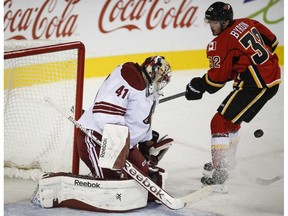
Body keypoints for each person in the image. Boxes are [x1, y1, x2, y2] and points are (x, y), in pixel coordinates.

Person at [185, 2, 281, 189]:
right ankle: (227, 162)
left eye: (213, 22)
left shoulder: (220, 42)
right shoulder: (248, 23)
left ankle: (221, 171)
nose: (210, 26)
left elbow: (216, 81)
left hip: (255, 84)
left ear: (224, 21)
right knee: (232, 121)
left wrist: (198, 86)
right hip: (270, 77)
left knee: (219, 122)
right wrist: (241, 63)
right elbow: (273, 42)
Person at [77, 56, 173, 197]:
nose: (159, 83)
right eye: (159, 78)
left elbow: (140, 121)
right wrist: (121, 146)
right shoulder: (129, 78)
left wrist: (147, 142)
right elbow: (104, 115)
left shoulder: (150, 92)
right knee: (114, 186)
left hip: (124, 145)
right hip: (98, 139)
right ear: (151, 72)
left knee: (148, 186)